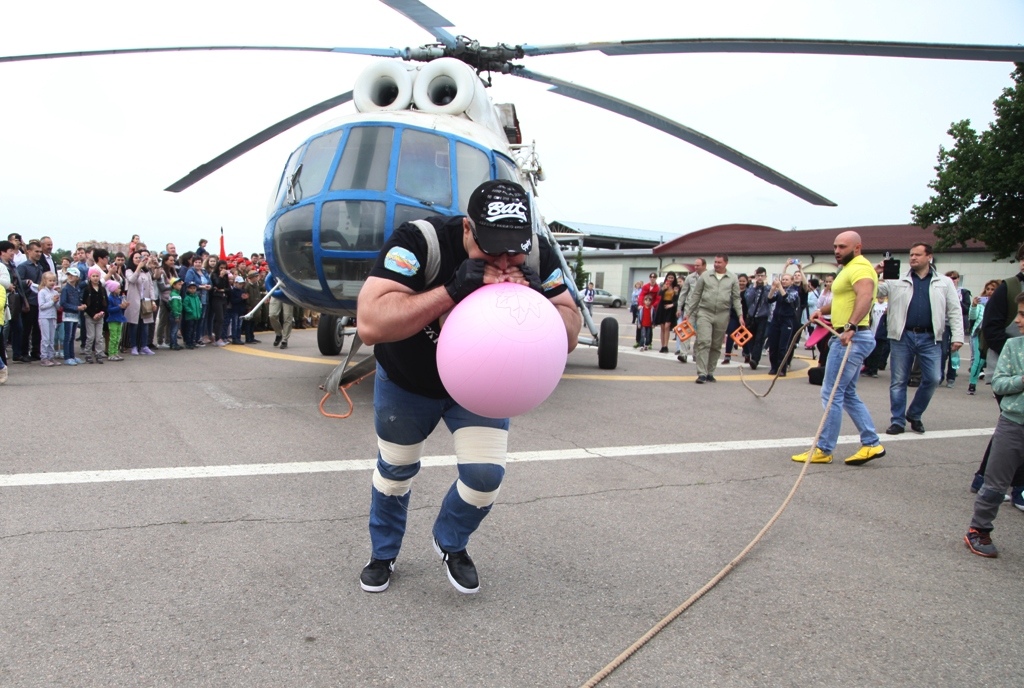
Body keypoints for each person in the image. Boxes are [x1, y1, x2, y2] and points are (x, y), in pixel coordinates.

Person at [355, 180, 580, 594]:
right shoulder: (420, 241)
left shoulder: (536, 254)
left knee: (484, 478)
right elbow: (370, 323)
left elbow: (569, 333)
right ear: (466, 228)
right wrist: (451, 290)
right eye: (491, 250)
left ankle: (451, 541)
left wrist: (538, 298)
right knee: (395, 472)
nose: (504, 260)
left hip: (482, 389)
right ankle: (383, 553)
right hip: (409, 381)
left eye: (514, 250)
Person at [792, 231, 884, 466]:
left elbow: (865, 296)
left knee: (831, 392)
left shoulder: (860, 268)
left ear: (857, 247)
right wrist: (821, 311)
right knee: (847, 393)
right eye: (835, 246)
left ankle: (824, 449)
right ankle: (871, 443)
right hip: (849, 336)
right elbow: (844, 300)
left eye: (842, 246)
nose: (837, 251)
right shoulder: (849, 269)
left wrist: (851, 326)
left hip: (851, 338)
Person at [876, 243, 963, 435]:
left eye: (917, 254)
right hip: (902, 335)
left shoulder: (944, 282)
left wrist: (957, 336)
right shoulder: (897, 279)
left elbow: (954, 310)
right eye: (911, 255)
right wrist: (875, 273)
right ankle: (897, 421)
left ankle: (914, 414)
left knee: (933, 378)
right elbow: (874, 291)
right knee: (898, 381)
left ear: (929, 257)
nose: (913, 258)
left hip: (931, 337)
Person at [963, 292, 1024, 558]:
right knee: (996, 483)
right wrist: (1021, 380)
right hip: (1014, 424)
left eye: (1022, 314)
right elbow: (998, 384)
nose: (1017, 320)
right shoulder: (1014, 346)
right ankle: (979, 529)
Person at [686, 254, 744, 384]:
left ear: (726, 263)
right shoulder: (705, 276)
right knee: (704, 342)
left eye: (719, 262)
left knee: (716, 345)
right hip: (705, 312)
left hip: (722, 314)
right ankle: (701, 373)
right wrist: (688, 312)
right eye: (715, 262)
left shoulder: (732, 278)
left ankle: (710, 372)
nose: (716, 264)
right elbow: (696, 294)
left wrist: (740, 315)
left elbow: (736, 298)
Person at [966, 280, 1000, 394]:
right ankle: (972, 384)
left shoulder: (1000, 303)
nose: (989, 291)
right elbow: (972, 317)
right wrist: (974, 305)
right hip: (979, 334)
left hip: (994, 335)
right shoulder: (981, 303)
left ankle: (996, 388)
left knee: (996, 362)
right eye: (988, 289)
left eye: (993, 289)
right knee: (978, 360)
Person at [765, 273, 800, 376]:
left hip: (787, 320)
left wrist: (780, 287)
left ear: (791, 281)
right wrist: (772, 289)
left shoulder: (794, 292)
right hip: (776, 320)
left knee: (783, 346)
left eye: (786, 280)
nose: (784, 281)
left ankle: (782, 368)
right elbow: (769, 299)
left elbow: (788, 299)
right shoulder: (779, 291)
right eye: (783, 279)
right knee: (773, 345)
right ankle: (773, 367)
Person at [942, 270, 971, 388]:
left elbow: (966, 309)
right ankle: (939, 375)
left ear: (958, 279)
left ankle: (951, 377)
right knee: (942, 351)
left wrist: (956, 300)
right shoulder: (941, 290)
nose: (952, 280)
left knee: (954, 351)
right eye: (949, 278)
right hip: (943, 324)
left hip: (956, 325)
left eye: (954, 278)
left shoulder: (963, 292)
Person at [16, 239, 44, 362]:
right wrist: (25, 282)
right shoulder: (23, 266)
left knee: (38, 329)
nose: (39, 254)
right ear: (28, 251)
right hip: (28, 301)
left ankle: (36, 351)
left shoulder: (40, 267)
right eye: (36, 251)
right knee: (26, 329)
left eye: (40, 252)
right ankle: (23, 352)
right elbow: (17, 282)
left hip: (39, 301)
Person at [676, 259, 705, 363]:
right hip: (690, 308)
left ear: (704, 266)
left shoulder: (709, 277)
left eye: (698, 265)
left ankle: (696, 354)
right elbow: (683, 293)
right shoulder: (690, 277)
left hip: (703, 309)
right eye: (695, 265)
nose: (696, 267)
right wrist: (679, 307)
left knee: (700, 332)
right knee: (686, 330)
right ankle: (683, 354)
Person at [743, 267, 771, 370]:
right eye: (758, 276)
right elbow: (748, 299)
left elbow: (769, 299)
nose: (760, 278)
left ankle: (755, 359)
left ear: (765, 276)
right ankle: (752, 354)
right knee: (750, 338)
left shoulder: (768, 288)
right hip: (751, 317)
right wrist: (754, 288)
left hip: (763, 317)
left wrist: (765, 287)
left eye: (762, 276)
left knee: (759, 338)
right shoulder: (751, 287)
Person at [81, 267, 108, 364]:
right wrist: (93, 314)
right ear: (90, 277)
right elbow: (85, 304)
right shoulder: (87, 290)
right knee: (91, 336)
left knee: (99, 337)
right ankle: (88, 353)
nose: (95, 278)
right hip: (90, 316)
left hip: (100, 316)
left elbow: (105, 303)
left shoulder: (102, 289)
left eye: (97, 276)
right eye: (93, 276)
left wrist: (102, 312)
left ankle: (99, 354)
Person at [59, 267, 85, 365]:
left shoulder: (77, 288)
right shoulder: (65, 288)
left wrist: (81, 305)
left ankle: (72, 356)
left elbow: (78, 300)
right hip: (68, 315)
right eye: (69, 274)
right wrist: (76, 307)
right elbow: (63, 303)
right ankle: (67, 357)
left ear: (77, 277)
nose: (70, 276)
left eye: (72, 275)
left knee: (72, 336)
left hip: (75, 315)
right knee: (68, 336)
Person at [722, 273, 748, 364]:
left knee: (743, 337)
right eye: (740, 281)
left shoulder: (749, 292)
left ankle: (747, 354)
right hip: (733, 316)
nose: (741, 283)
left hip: (745, 317)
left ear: (747, 282)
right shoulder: (732, 291)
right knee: (731, 335)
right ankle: (727, 356)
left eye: (744, 281)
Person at [36, 271, 60, 367]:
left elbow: (58, 307)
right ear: (45, 281)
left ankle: (51, 356)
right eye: (50, 280)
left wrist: (57, 301)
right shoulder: (42, 292)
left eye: (54, 280)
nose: (52, 282)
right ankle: (44, 357)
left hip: (53, 316)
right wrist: (52, 301)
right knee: (45, 338)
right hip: (44, 317)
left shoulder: (55, 292)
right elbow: (41, 306)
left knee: (51, 339)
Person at [266, 271, 294, 349]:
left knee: (287, 316)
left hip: (289, 292)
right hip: (276, 290)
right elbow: (269, 278)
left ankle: (285, 339)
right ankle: (278, 333)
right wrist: (268, 293)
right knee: (272, 315)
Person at [655, 271, 680, 353]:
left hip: (671, 307)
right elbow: (659, 294)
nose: (670, 279)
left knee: (667, 326)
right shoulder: (664, 285)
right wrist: (663, 289)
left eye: (672, 278)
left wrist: (676, 293)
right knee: (662, 327)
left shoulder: (676, 287)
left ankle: (666, 345)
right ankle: (663, 346)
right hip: (662, 306)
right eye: (669, 277)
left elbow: (678, 299)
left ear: (674, 279)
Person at [182, 282, 203, 349]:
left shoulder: (197, 297)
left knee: (194, 330)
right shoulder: (187, 297)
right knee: (189, 330)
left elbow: (199, 305)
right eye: (191, 288)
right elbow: (185, 306)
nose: (192, 290)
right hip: (190, 316)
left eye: (194, 288)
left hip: (196, 316)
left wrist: (200, 311)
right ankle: (188, 342)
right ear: (188, 289)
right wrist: (190, 311)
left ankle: (192, 341)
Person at [167, 278, 184, 350]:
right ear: (174, 285)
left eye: (181, 284)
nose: (180, 286)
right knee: (174, 330)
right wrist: (176, 315)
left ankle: (174, 343)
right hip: (175, 314)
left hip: (175, 313)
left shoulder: (176, 294)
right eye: (179, 284)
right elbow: (174, 306)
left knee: (174, 329)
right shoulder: (175, 295)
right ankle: (173, 344)